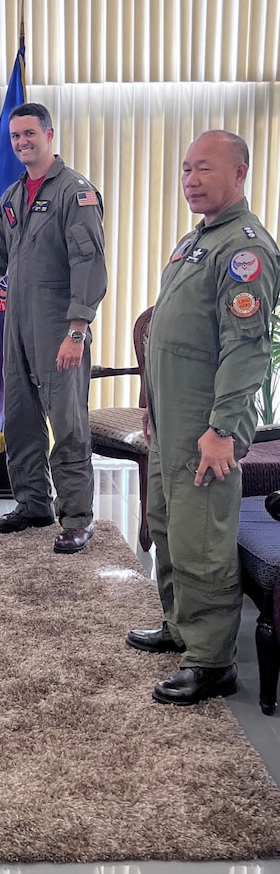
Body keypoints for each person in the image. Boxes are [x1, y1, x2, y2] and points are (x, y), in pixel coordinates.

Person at [126, 130, 280, 705]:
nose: (190, 179)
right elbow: (171, 337)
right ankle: (180, 626)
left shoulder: (245, 250)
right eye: (186, 169)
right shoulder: (197, 242)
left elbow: (247, 351)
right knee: (166, 521)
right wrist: (151, 407)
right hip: (171, 414)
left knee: (202, 536)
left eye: (204, 169)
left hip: (207, 420)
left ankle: (213, 661)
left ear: (240, 173)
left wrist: (222, 432)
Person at [0, 103, 107, 554]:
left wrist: (77, 329)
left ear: (49, 133)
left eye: (30, 133)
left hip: (58, 328)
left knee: (67, 425)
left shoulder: (75, 192)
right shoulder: (12, 197)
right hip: (17, 329)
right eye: (15, 136)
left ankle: (78, 518)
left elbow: (89, 264)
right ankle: (33, 504)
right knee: (22, 420)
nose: (22, 142)